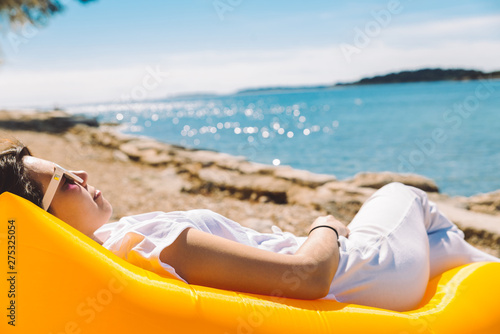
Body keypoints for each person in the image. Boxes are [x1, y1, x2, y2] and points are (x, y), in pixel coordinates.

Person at [1, 139, 499, 312]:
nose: (82, 175)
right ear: (41, 221)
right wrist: (324, 226)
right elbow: (307, 277)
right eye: (64, 182)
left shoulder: (109, 254)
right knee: (401, 194)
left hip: (375, 271)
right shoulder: (146, 242)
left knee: (443, 242)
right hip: (366, 274)